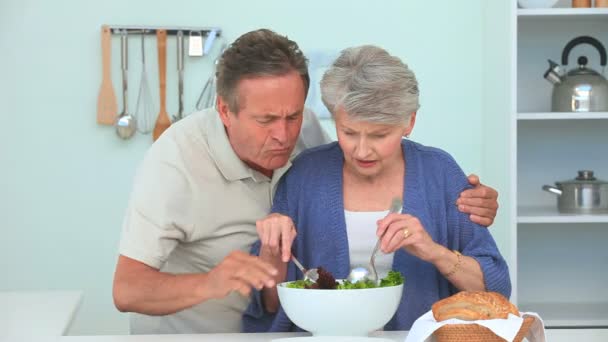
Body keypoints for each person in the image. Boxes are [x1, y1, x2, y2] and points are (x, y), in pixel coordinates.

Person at [112, 29, 500, 334]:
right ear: (225, 111)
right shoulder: (175, 163)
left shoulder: (310, 139)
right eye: (266, 121)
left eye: (293, 115)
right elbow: (127, 291)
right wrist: (221, 278)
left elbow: (494, 287)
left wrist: (457, 221)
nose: (284, 135)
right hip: (195, 334)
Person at [243, 45, 511, 332]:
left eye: (379, 135)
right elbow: (270, 304)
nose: (362, 150)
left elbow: (495, 288)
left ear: (409, 122)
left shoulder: (439, 173)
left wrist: (433, 251)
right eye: (348, 132)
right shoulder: (305, 175)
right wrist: (271, 249)